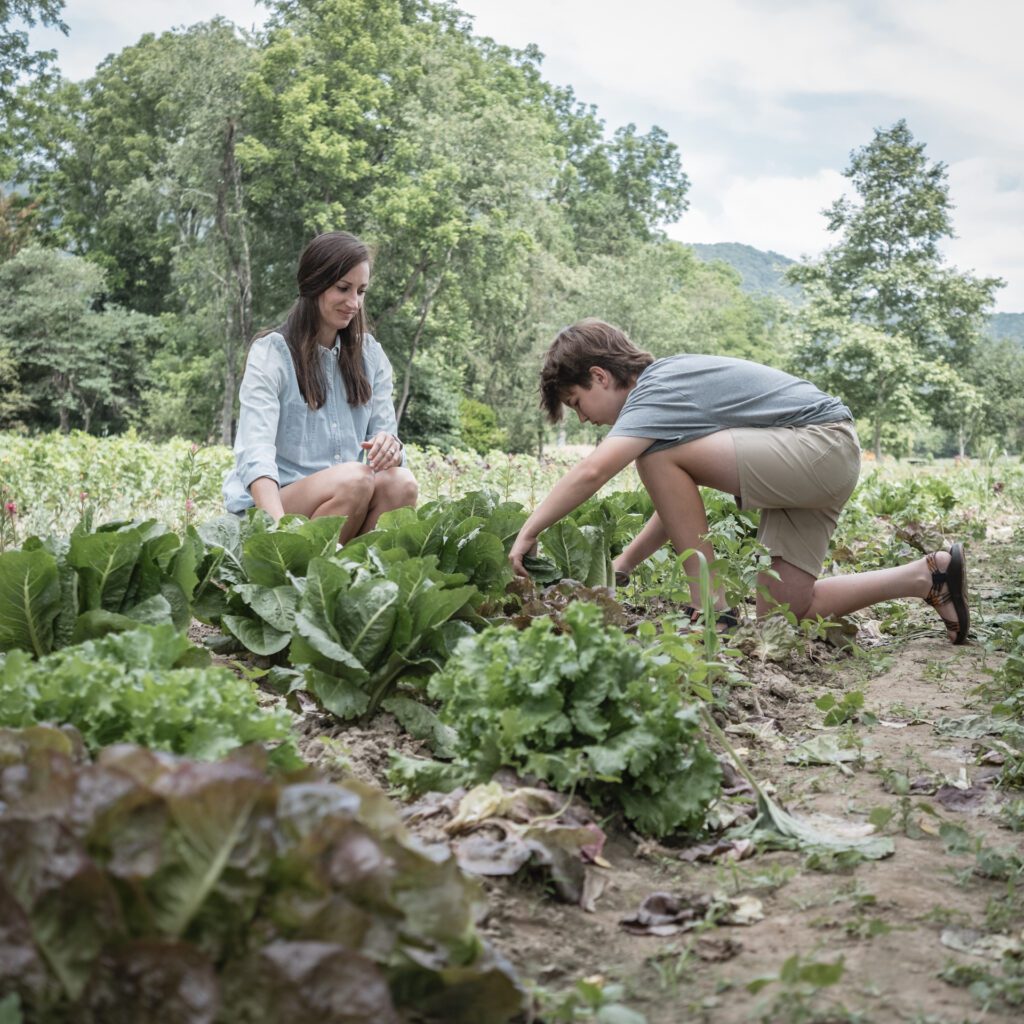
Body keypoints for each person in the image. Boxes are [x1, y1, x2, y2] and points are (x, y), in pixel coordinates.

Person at [508, 319, 969, 644]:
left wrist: (530, 530)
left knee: (655, 455)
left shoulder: (655, 387)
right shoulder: (665, 401)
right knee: (785, 619)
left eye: (576, 402)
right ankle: (927, 575)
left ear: (599, 376)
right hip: (816, 462)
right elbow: (678, 505)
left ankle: (711, 610)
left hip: (820, 446)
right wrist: (623, 566)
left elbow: (593, 470)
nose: (584, 418)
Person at [223, 231, 418, 540]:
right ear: (315, 285)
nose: (354, 303)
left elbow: (386, 439)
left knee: (401, 483)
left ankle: (355, 578)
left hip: (347, 499)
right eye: (343, 288)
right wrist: (276, 535)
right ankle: (291, 567)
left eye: (361, 291)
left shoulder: (371, 356)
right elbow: (255, 455)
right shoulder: (272, 354)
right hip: (275, 509)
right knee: (355, 479)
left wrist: (390, 449)